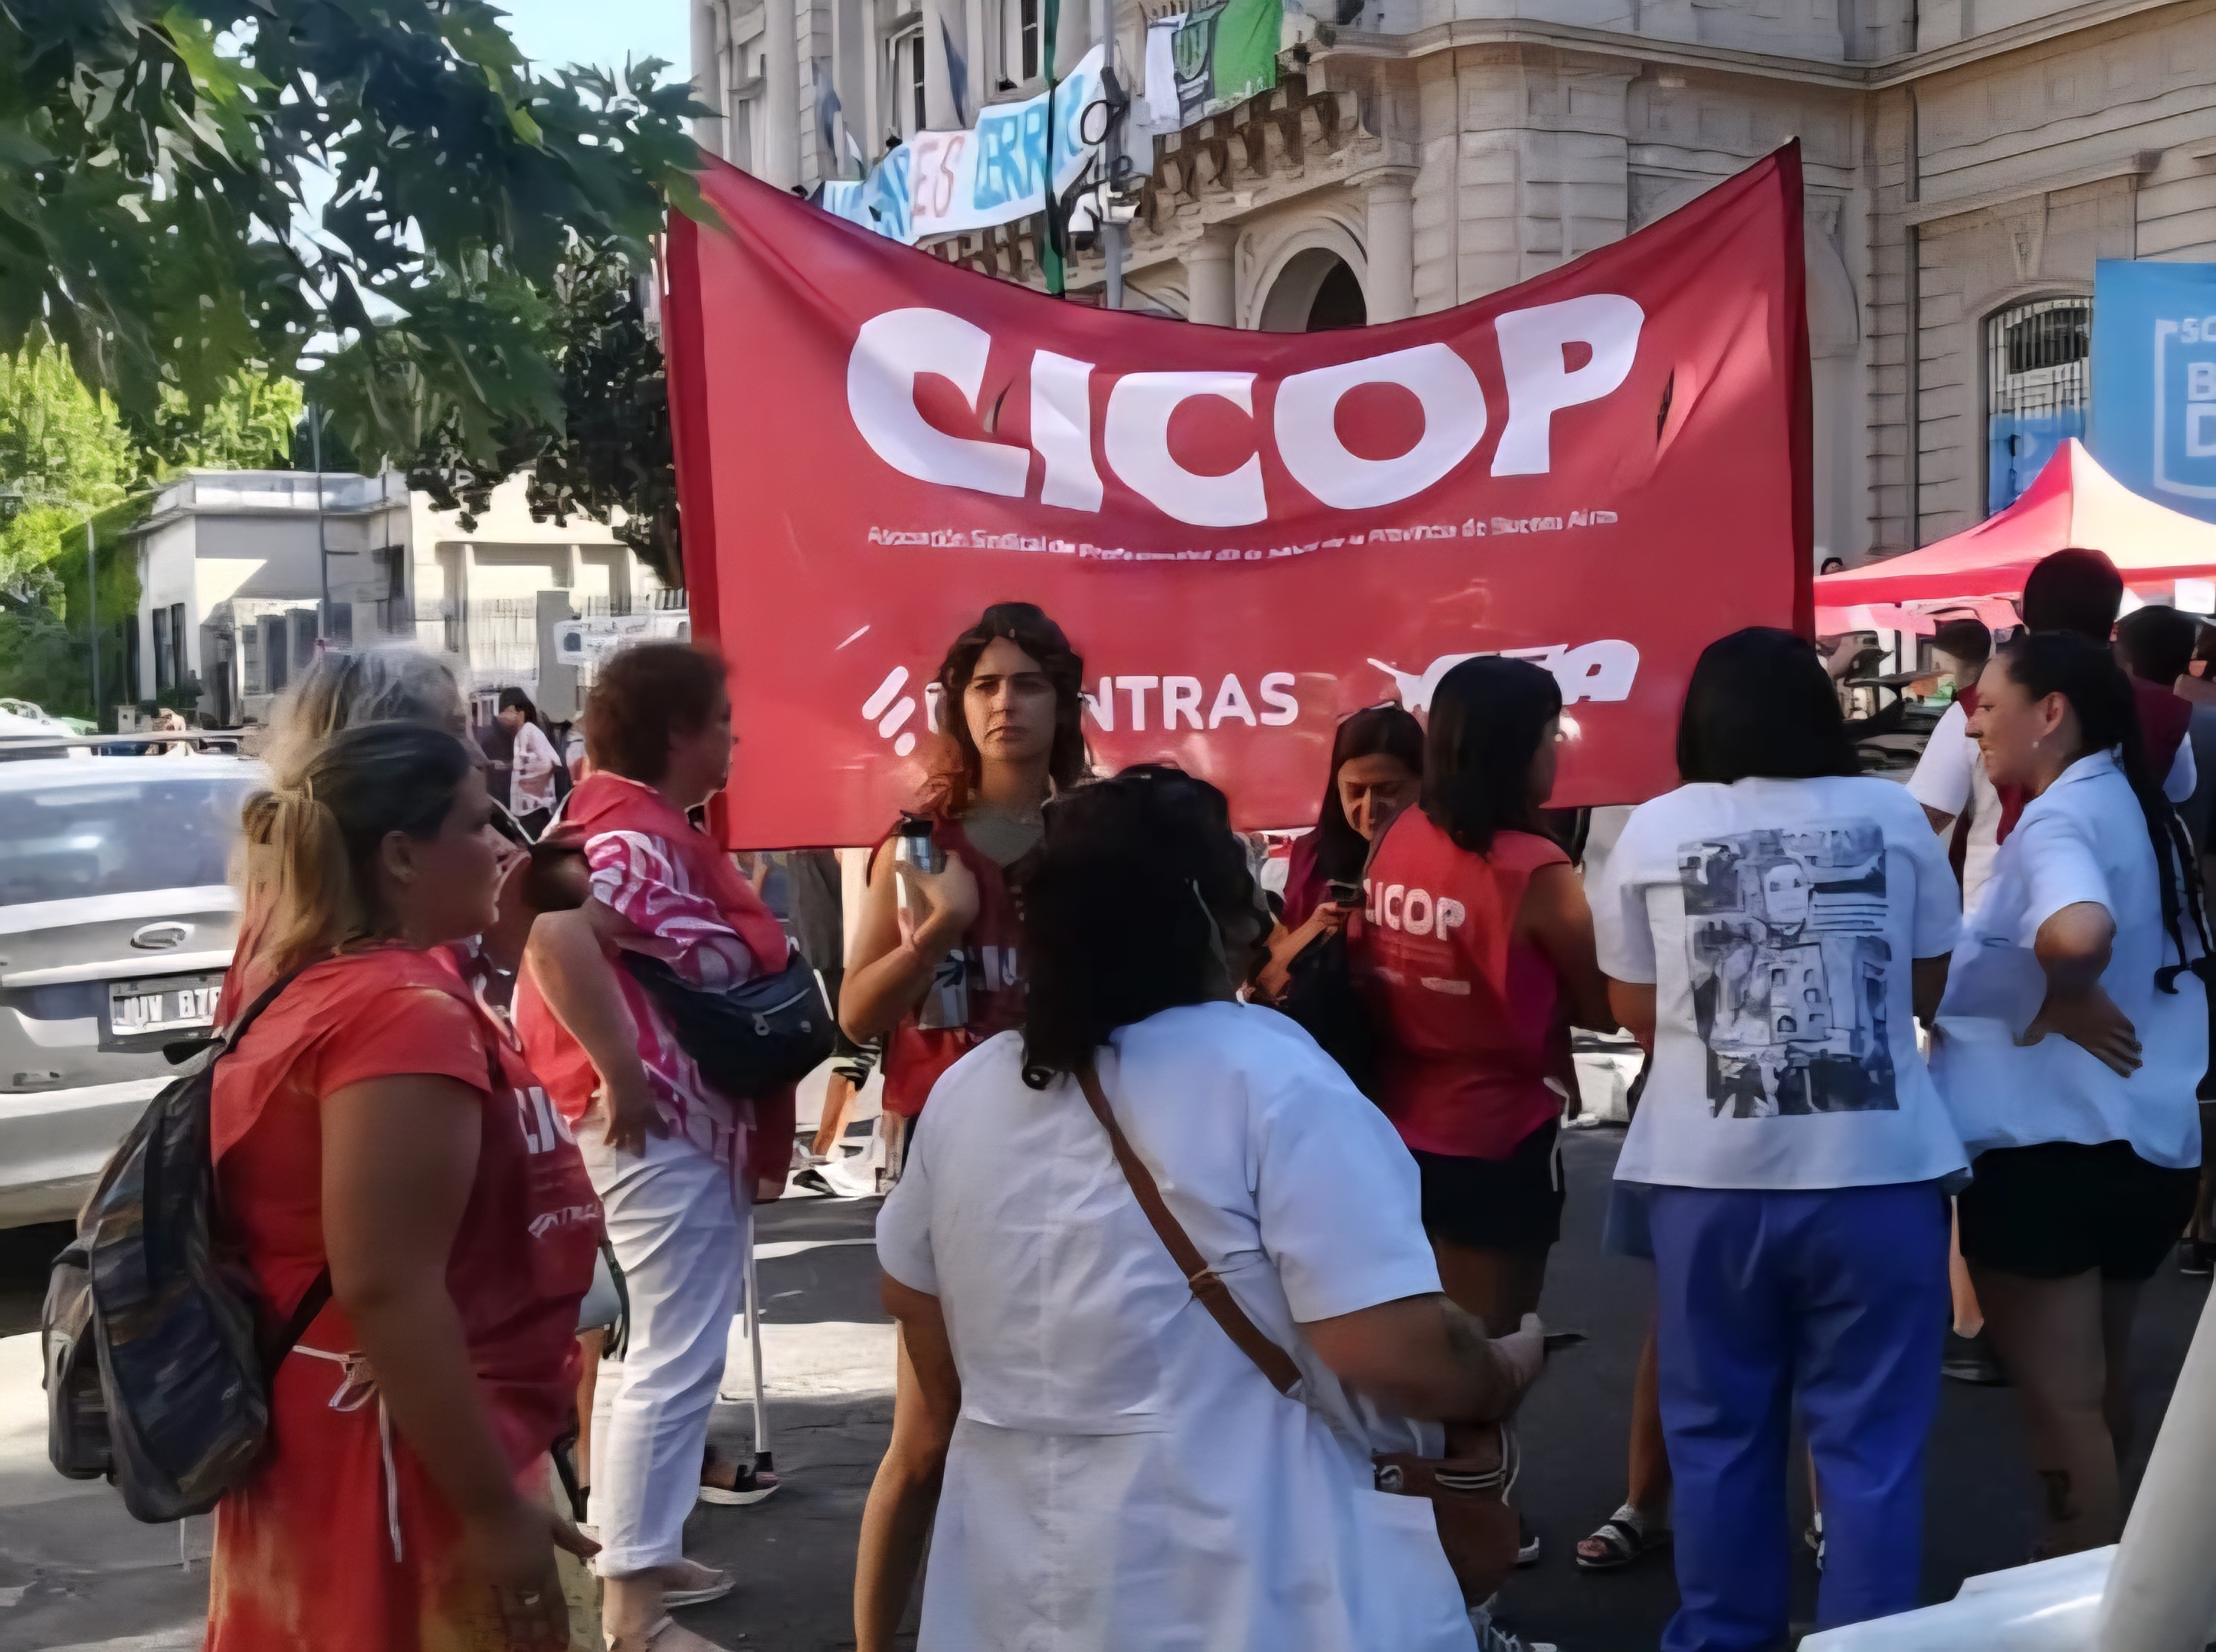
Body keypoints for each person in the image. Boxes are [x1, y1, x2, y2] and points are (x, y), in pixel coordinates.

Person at [852, 765, 1549, 1652]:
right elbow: (1393, 1353)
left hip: (1015, 1589)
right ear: (1214, 917)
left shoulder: (970, 1091)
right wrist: (1501, 1370)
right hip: (1255, 1584)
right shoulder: (1272, 1075)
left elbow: (922, 1324)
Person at [1592, 627, 1969, 1651]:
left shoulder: (1657, 826)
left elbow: (1628, 1003)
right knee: (1873, 1446)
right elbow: (1928, 984)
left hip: (1705, 1177)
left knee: (1716, 1435)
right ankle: (1870, 1641)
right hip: (1880, 1173)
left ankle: (1724, 1635)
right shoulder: (1893, 817)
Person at [206, 723, 602, 1652]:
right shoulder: (398, 1014)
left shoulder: (329, 985)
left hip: (374, 1435)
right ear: (399, 855)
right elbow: (387, 1285)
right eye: (476, 822)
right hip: (399, 1456)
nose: (502, 845)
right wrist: (492, 1510)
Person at [516, 643, 794, 1652]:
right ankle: (633, 1606)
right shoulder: (634, 836)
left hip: (656, 1122)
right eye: (720, 720)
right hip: (657, 1125)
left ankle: (641, 1544)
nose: (734, 738)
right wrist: (624, 1072)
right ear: (678, 733)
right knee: (672, 1355)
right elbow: (552, 935)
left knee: (661, 1350)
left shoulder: (611, 821)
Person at [1935, 631, 2210, 1557]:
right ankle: (2114, 1586)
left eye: (1989, 703)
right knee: (2096, 1392)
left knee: (2063, 1408)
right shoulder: (2135, 805)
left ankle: (2085, 1596)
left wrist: (2067, 986)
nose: (1974, 722)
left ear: (2051, 712)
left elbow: (2079, 929)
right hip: (2141, 1143)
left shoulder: (2057, 819)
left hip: (2047, 1149)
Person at [839, 602, 1090, 1162]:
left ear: (1062, 705)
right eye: (986, 686)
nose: (1005, 702)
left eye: (1028, 684)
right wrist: (938, 931)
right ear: (961, 705)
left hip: (1076, 1126)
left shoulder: (1099, 839)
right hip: (945, 1129)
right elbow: (856, 1018)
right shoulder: (919, 845)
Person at [219, 645, 473, 1023]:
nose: (479, 754)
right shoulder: (390, 983)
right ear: (389, 753)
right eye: (456, 730)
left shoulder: (298, 883)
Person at [1254, 703, 1424, 1001]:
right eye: (1355, 792)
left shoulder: (1448, 861)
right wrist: (1319, 926)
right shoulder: (1312, 858)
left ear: (1425, 784)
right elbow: (1270, 981)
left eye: (1388, 790)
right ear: (1337, 789)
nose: (1370, 810)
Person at [500, 687, 567, 835]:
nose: (504, 717)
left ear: (520, 713)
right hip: (524, 811)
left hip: (536, 811)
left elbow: (554, 761)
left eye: (509, 711)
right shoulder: (519, 734)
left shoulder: (530, 731)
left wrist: (536, 783)